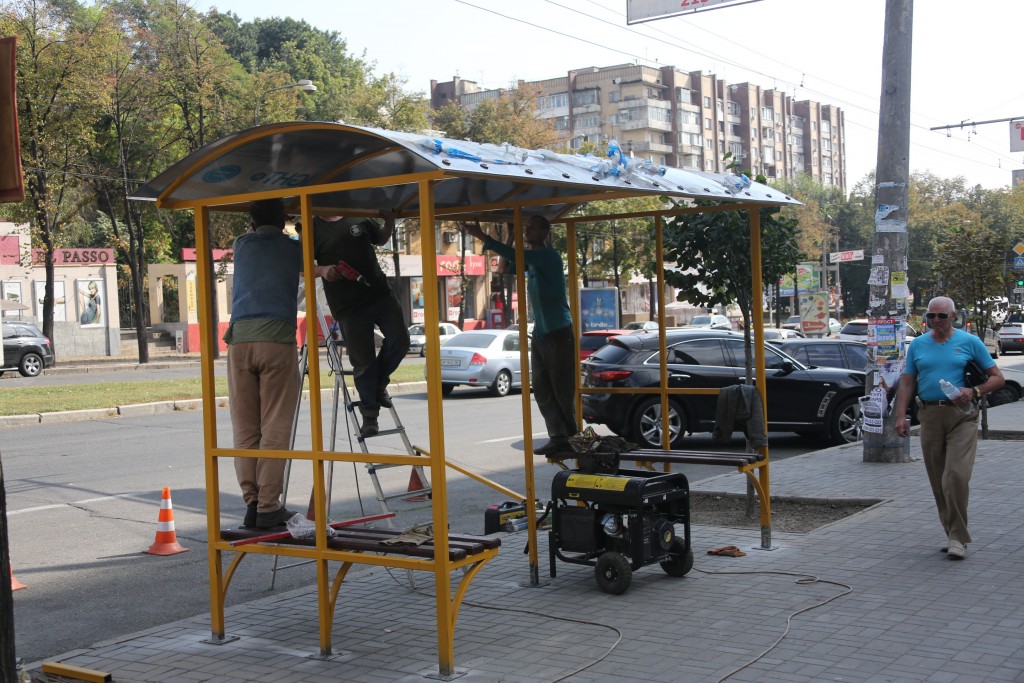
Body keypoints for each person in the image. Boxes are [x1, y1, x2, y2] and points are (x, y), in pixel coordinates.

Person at [894, 296, 1004, 560]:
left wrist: (974, 390)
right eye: (931, 316)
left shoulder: (970, 342)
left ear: (953, 317)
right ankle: (951, 532)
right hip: (929, 415)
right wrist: (900, 417)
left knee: (955, 476)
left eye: (941, 316)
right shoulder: (918, 345)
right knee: (938, 479)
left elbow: (998, 378)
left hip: (962, 416)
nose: (935, 321)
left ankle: (957, 537)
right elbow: (907, 383)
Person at [464, 216, 579, 455]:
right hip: (542, 332)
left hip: (558, 330)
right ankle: (558, 436)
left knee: (562, 387)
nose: (527, 230)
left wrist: (482, 236)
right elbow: (505, 267)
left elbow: (521, 257)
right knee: (541, 386)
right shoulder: (532, 261)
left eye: (532, 227)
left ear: (545, 231)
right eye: (526, 227)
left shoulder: (548, 256)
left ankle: (572, 437)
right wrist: (510, 236)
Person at [225, 198, 303, 529]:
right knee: (275, 426)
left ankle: (252, 503)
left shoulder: (241, 245)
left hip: (239, 342)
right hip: (276, 341)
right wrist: (297, 228)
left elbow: (258, 232)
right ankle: (270, 506)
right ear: (284, 218)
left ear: (252, 223)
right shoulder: (293, 248)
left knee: (245, 429)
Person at [312, 209, 409, 438]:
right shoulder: (312, 229)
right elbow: (300, 268)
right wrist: (323, 270)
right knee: (363, 362)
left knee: (400, 341)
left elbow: (381, 238)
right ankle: (370, 416)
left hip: (380, 294)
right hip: (348, 307)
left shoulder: (358, 215)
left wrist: (390, 221)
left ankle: (377, 385)